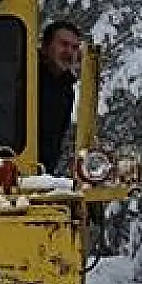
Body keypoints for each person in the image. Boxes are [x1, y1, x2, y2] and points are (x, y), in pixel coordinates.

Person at [37, 20, 83, 174]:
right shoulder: (23, 78)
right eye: (64, 44)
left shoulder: (66, 89)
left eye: (74, 47)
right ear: (45, 47)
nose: (69, 52)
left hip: (42, 173)